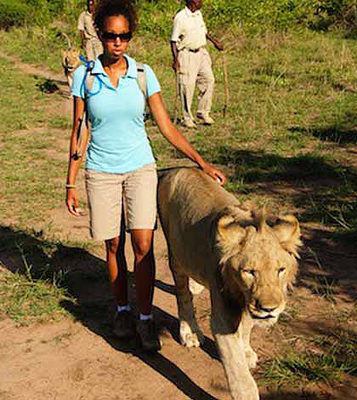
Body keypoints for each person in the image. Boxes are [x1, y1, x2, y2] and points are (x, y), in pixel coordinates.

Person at [66, 0, 226, 353]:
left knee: (143, 245)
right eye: (110, 35)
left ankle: (144, 317)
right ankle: (122, 310)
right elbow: (79, 130)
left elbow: (166, 125)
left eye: (124, 36)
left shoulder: (143, 74)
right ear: (99, 34)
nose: (117, 42)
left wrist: (200, 161)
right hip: (101, 171)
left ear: (130, 36)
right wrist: (70, 181)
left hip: (140, 168)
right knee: (113, 245)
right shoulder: (85, 76)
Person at [171, 0, 223, 128]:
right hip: (187, 54)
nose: (202, 2)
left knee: (208, 80)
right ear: (191, 1)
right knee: (187, 86)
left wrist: (214, 42)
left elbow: (204, 31)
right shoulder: (181, 17)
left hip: (201, 52)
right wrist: (175, 60)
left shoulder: (199, 14)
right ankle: (187, 117)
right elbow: (173, 41)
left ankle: (203, 112)